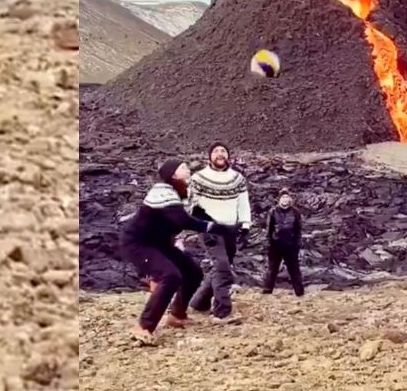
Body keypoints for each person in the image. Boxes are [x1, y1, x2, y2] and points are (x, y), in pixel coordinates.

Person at [119, 159, 224, 343]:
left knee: (192, 273)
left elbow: (185, 218)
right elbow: (184, 221)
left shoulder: (179, 193)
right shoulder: (162, 191)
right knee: (171, 276)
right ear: (173, 174)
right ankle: (144, 326)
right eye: (183, 168)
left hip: (159, 243)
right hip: (138, 243)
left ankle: (177, 315)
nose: (188, 170)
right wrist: (215, 227)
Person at [186, 142, 252, 320]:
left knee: (220, 267)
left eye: (223, 151)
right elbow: (192, 203)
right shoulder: (199, 178)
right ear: (210, 157)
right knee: (222, 266)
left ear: (228, 156)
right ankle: (222, 311)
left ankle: (198, 303)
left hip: (230, 227)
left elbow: (243, 202)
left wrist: (245, 225)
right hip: (209, 227)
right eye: (216, 151)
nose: (220, 154)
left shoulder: (237, 178)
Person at [262, 188, 305, 296]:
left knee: (294, 269)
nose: (285, 199)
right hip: (275, 244)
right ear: (279, 199)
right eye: (283, 197)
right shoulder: (273, 211)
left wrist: (298, 243)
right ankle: (267, 291)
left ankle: (299, 292)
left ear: (290, 199)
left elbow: (298, 229)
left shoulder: (295, 212)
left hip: (291, 245)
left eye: (287, 197)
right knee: (272, 269)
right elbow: (269, 228)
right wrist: (268, 242)